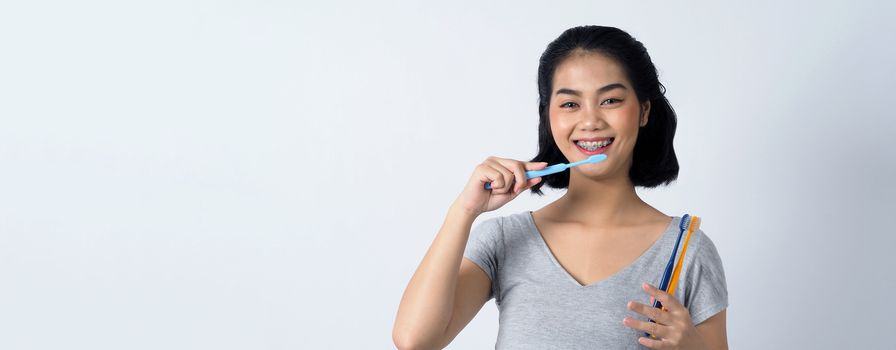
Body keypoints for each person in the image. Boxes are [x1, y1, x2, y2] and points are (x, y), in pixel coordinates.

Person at [393, 25, 728, 349]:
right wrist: (463, 212)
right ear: (548, 116)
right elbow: (415, 341)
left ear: (643, 111)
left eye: (610, 100)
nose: (590, 121)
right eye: (570, 104)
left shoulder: (687, 251)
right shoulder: (505, 239)